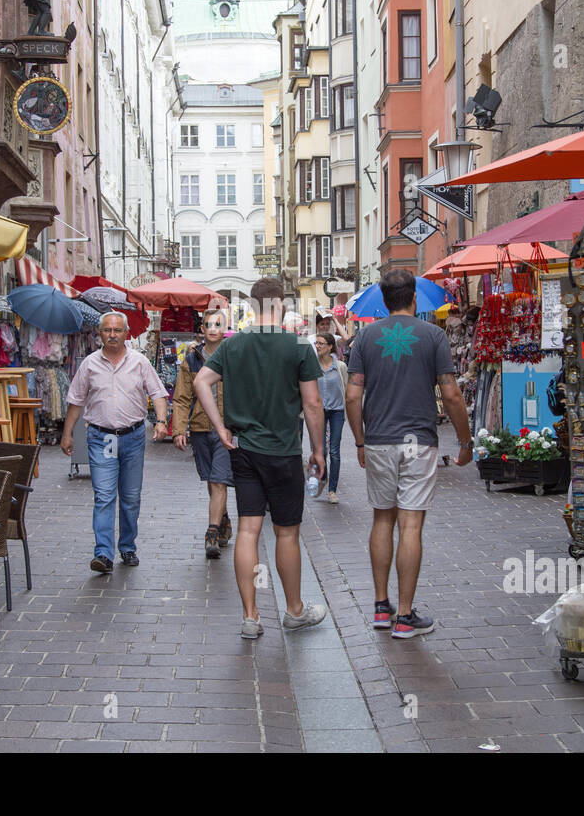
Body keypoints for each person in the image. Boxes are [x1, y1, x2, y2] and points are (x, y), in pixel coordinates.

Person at [193, 277, 328, 639]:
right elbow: (313, 404)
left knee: (248, 530)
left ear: (253, 307)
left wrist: (220, 427)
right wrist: (318, 450)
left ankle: (251, 616)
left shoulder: (233, 346)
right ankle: (294, 610)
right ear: (281, 304)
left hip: (245, 450)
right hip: (283, 451)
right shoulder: (299, 346)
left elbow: (201, 381)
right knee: (287, 532)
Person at [346, 269, 473, 639]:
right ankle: (405, 616)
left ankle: (381, 608)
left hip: (380, 440)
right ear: (414, 297)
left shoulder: (365, 337)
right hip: (418, 440)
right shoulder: (434, 335)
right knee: (411, 525)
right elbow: (451, 394)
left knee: (382, 520)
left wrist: (359, 441)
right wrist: (465, 443)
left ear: (384, 301)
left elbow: (354, 395)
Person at [61, 311, 168, 573]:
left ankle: (128, 547)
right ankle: (103, 554)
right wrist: (67, 433)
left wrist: (162, 421)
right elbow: (76, 400)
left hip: (132, 437)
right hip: (101, 438)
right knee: (104, 495)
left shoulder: (140, 362)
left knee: (130, 497)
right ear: (100, 333)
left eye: (117, 330)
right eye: (107, 330)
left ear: (125, 333)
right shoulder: (89, 364)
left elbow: (157, 393)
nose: (112, 335)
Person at [171, 308, 234, 558]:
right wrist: (178, 429)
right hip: (200, 427)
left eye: (218, 324)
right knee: (211, 479)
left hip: (226, 428)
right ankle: (223, 519)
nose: (213, 329)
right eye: (208, 324)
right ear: (202, 329)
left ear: (225, 327)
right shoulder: (193, 358)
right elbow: (182, 396)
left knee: (219, 480)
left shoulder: (233, 355)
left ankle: (211, 534)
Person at [312, 332, 348, 504]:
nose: (318, 346)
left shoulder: (340, 367)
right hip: (319, 411)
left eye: (321, 343)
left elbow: (347, 389)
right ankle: (323, 477)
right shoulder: (312, 366)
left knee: (334, 450)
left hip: (337, 411)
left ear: (330, 346)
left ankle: (332, 490)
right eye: (316, 343)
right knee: (322, 451)